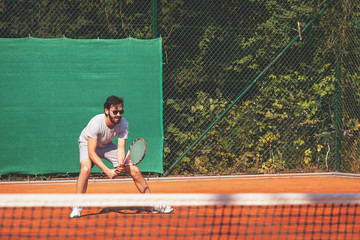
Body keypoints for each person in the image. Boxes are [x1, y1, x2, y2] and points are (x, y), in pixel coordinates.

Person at [70, 96, 173, 218]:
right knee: (86, 168)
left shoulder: (123, 123)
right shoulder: (95, 123)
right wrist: (107, 171)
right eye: (115, 111)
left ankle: (153, 205)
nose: (118, 115)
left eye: (121, 112)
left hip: (106, 145)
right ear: (106, 110)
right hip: (88, 144)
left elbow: (120, 149)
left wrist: (120, 164)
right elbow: (92, 153)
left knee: (135, 170)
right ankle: (77, 206)